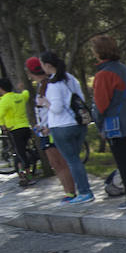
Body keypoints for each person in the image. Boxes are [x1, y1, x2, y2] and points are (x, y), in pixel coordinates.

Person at [89, 35, 126, 209]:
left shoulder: (103, 74)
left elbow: (101, 104)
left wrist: (100, 125)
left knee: (125, 163)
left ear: (98, 52)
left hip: (117, 125)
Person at [34, 51, 94, 204]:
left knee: (72, 161)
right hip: (78, 123)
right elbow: (80, 98)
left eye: (42, 65)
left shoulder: (54, 84)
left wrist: (45, 103)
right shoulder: (70, 78)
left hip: (62, 126)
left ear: (48, 66)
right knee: (76, 160)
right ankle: (85, 190)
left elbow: (57, 108)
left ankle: (85, 192)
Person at [25, 57, 76, 202]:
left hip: (52, 129)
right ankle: (68, 191)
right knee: (55, 163)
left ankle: (71, 192)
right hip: (44, 129)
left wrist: (46, 125)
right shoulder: (41, 85)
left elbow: (53, 107)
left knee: (59, 162)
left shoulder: (48, 85)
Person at [0, 78, 36, 186]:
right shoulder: (19, 96)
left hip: (14, 130)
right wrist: (23, 89)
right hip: (25, 128)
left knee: (20, 154)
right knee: (21, 152)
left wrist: (3, 125)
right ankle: (23, 175)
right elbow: (26, 95)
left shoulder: (4, 100)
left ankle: (27, 177)